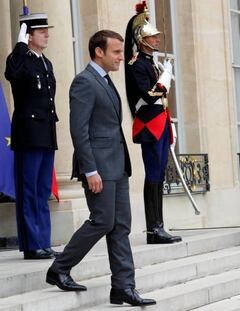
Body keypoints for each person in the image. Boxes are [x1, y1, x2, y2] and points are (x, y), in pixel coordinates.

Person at [46, 30, 156, 306]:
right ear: (99, 52)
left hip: (117, 166)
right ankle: (59, 268)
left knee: (121, 226)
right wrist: (90, 170)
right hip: (99, 168)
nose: (121, 57)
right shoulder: (84, 82)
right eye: (116, 52)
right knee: (103, 221)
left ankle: (123, 287)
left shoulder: (105, 81)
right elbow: (79, 131)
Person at [124, 1, 181, 244]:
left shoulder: (151, 64)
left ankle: (159, 225)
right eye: (153, 38)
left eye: (156, 37)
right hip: (149, 126)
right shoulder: (137, 65)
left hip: (160, 123)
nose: (157, 40)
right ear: (142, 41)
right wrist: (166, 77)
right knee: (153, 175)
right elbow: (148, 96)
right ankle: (153, 229)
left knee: (160, 175)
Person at [5, 13, 60, 260]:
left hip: (46, 133)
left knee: (42, 189)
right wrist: (18, 47)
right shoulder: (20, 59)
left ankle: (43, 241)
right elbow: (11, 75)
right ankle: (31, 244)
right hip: (28, 133)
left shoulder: (45, 62)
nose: (47, 34)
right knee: (28, 189)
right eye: (41, 31)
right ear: (29, 36)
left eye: (46, 30)